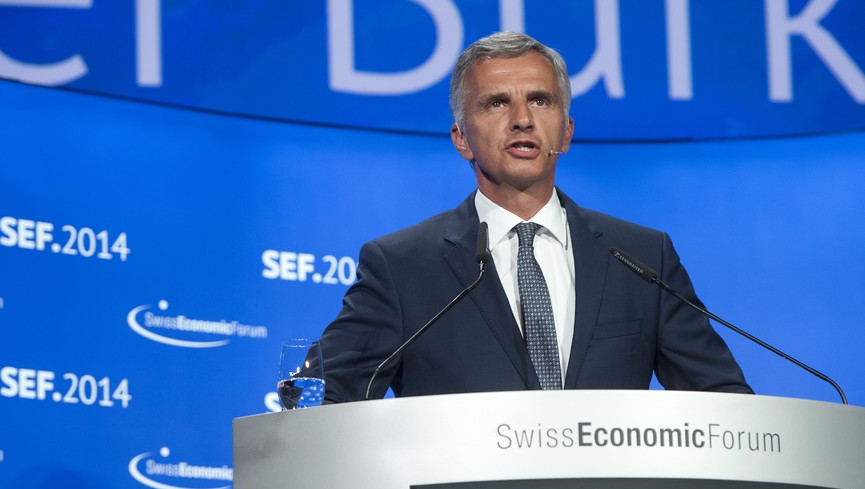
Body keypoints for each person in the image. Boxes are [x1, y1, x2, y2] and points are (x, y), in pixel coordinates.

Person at [319, 31, 751, 403]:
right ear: (461, 139)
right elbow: (322, 398)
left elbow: (725, 404)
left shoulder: (641, 259)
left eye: (540, 101)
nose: (522, 120)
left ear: (565, 131)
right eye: (496, 104)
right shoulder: (401, 267)